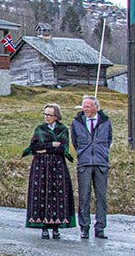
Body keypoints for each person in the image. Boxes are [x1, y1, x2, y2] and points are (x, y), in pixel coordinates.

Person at [23, 103, 75, 239]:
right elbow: (34, 147)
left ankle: (56, 227)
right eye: (45, 114)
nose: (46, 117)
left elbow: (62, 148)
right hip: (40, 167)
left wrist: (45, 149)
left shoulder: (63, 129)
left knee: (58, 195)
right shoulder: (39, 129)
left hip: (57, 166)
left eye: (49, 115)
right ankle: (44, 227)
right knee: (41, 192)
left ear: (56, 117)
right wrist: (51, 145)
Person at [71, 94, 112, 239]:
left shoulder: (106, 121)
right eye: (84, 106)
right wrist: (83, 153)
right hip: (85, 163)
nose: (85, 109)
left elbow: (109, 139)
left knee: (101, 196)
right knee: (84, 196)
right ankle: (84, 227)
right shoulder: (77, 122)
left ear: (96, 107)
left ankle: (100, 227)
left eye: (88, 106)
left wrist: (102, 153)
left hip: (101, 163)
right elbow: (74, 141)